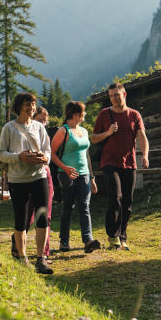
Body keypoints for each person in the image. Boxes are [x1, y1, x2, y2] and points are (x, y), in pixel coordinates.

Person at [0, 93, 54, 274]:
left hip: (39, 176)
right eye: (28, 104)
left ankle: (40, 259)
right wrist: (19, 157)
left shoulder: (39, 127)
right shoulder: (9, 128)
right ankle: (22, 258)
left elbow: (47, 151)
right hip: (17, 179)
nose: (32, 108)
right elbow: (0, 153)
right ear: (19, 107)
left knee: (43, 218)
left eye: (34, 105)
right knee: (20, 219)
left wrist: (44, 158)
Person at [91, 83, 149, 250]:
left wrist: (144, 155)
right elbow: (94, 138)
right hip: (110, 162)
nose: (114, 98)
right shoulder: (104, 114)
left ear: (124, 94)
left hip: (130, 163)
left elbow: (142, 137)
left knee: (127, 202)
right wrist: (108, 132)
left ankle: (123, 236)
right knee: (115, 197)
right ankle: (113, 237)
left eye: (117, 95)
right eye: (111, 96)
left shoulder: (134, 115)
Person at [50, 101, 101, 253]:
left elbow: (87, 155)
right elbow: (51, 153)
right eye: (83, 113)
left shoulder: (84, 132)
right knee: (68, 207)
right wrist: (65, 168)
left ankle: (88, 240)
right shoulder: (63, 131)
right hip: (67, 175)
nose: (84, 115)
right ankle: (64, 242)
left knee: (84, 206)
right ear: (75, 114)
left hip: (84, 173)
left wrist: (91, 177)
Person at [32, 106, 53, 261]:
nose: (42, 123)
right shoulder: (26, 132)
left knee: (46, 213)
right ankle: (17, 243)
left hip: (45, 172)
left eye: (45, 121)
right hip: (28, 174)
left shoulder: (44, 133)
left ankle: (44, 252)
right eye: (39, 120)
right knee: (28, 214)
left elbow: (49, 153)